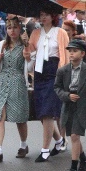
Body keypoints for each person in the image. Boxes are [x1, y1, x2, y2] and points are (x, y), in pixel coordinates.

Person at [54, 39, 86, 171]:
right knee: (73, 135)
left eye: (74, 51)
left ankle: (73, 169)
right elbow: (57, 88)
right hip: (69, 106)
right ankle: (84, 160)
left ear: (82, 53)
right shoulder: (63, 70)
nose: (71, 53)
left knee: (75, 136)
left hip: (83, 106)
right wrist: (67, 95)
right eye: (70, 51)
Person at [28, 10, 70, 162]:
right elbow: (30, 53)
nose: (43, 17)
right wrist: (28, 53)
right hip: (39, 72)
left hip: (54, 72)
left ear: (53, 16)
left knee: (48, 112)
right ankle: (59, 140)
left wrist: (63, 76)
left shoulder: (60, 32)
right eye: (41, 14)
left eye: (46, 14)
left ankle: (45, 149)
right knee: (41, 112)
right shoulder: (35, 33)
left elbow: (65, 56)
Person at [0, 17, 31, 163]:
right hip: (2, 81)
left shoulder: (26, 45)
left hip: (18, 82)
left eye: (15, 27)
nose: (12, 30)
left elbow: (30, 69)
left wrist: (28, 55)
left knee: (20, 117)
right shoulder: (2, 44)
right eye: (9, 27)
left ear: (20, 29)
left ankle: (23, 145)